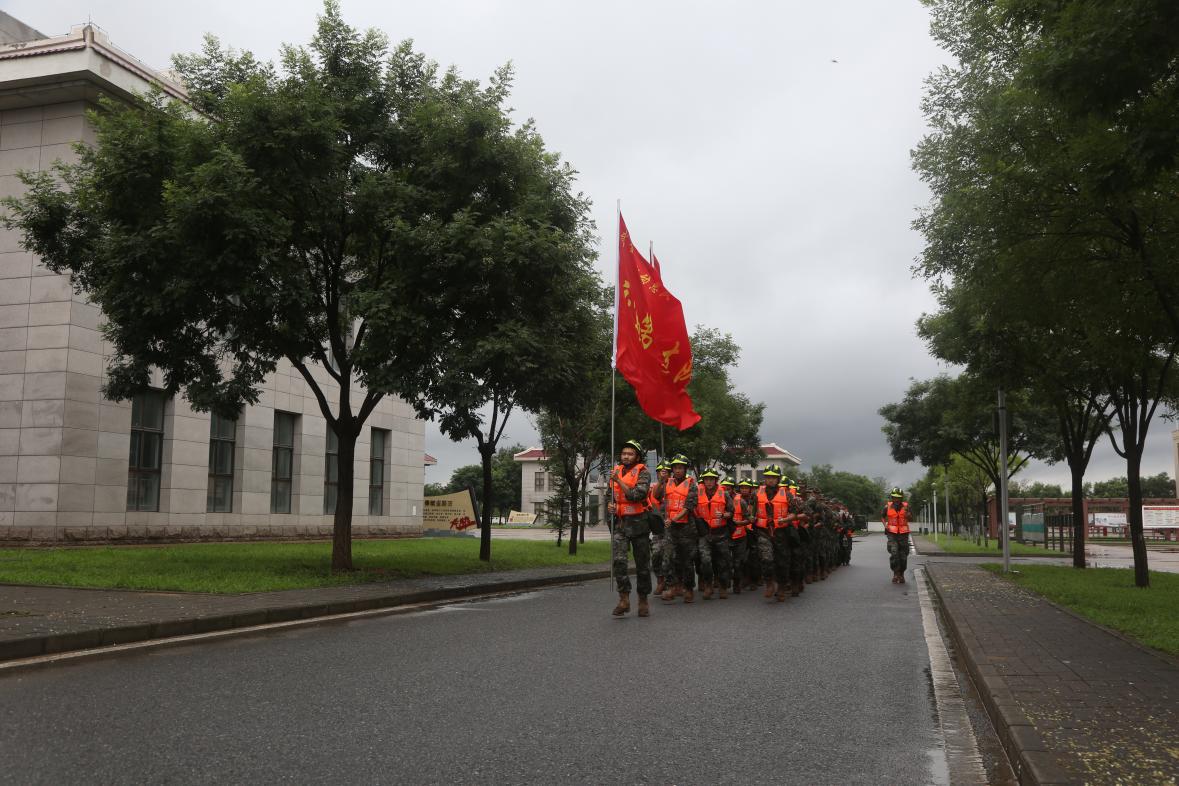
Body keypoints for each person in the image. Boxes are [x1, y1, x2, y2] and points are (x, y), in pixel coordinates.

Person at [609, 439, 653, 616]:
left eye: (630, 453)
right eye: (624, 453)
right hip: (620, 523)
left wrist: (618, 481)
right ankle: (624, 598)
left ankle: (643, 600)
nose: (626, 456)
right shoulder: (616, 471)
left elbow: (637, 495)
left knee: (642, 564)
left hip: (639, 525)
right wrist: (609, 505)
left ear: (637, 456)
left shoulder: (643, 472)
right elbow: (610, 495)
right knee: (619, 561)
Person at [656, 454, 698, 603]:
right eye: (675, 467)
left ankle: (688, 588)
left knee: (687, 561)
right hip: (671, 529)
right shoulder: (667, 482)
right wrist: (661, 480)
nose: (678, 470)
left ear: (685, 469)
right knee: (667, 558)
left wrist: (673, 519)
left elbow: (688, 508)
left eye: (680, 467)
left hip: (686, 528)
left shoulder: (692, 484)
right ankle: (672, 586)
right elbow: (656, 495)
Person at [695, 469, 734, 600]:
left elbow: (731, 512)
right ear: (703, 481)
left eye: (712, 479)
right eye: (706, 479)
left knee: (722, 562)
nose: (709, 481)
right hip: (705, 534)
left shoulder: (725, 494)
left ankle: (723, 587)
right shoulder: (697, 493)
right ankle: (708, 585)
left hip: (721, 533)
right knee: (705, 561)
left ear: (716, 480)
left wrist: (724, 515)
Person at [649, 461, 671, 595]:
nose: (663, 473)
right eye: (661, 472)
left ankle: (670, 583)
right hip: (658, 528)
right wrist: (661, 482)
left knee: (669, 557)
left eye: (667, 471)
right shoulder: (653, 487)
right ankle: (660, 579)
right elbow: (655, 495)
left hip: (672, 528)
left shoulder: (674, 486)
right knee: (656, 555)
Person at [729, 479, 755, 594]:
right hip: (731, 533)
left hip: (748, 532)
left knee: (747, 558)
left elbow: (750, 518)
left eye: (747, 487)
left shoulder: (754, 499)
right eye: (742, 487)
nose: (744, 489)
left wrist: (742, 523)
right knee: (730, 560)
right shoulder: (733, 500)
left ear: (750, 489)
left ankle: (747, 580)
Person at [882, 487, 911, 583]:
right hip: (892, 533)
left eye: (898, 497)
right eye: (894, 497)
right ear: (892, 497)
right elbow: (882, 517)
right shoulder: (887, 507)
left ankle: (901, 574)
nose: (896, 499)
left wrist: (907, 514)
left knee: (903, 556)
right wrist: (885, 525)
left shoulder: (906, 506)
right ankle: (895, 573)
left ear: (901, 498)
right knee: (894, 553)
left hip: (903, 534)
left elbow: (910, 518)